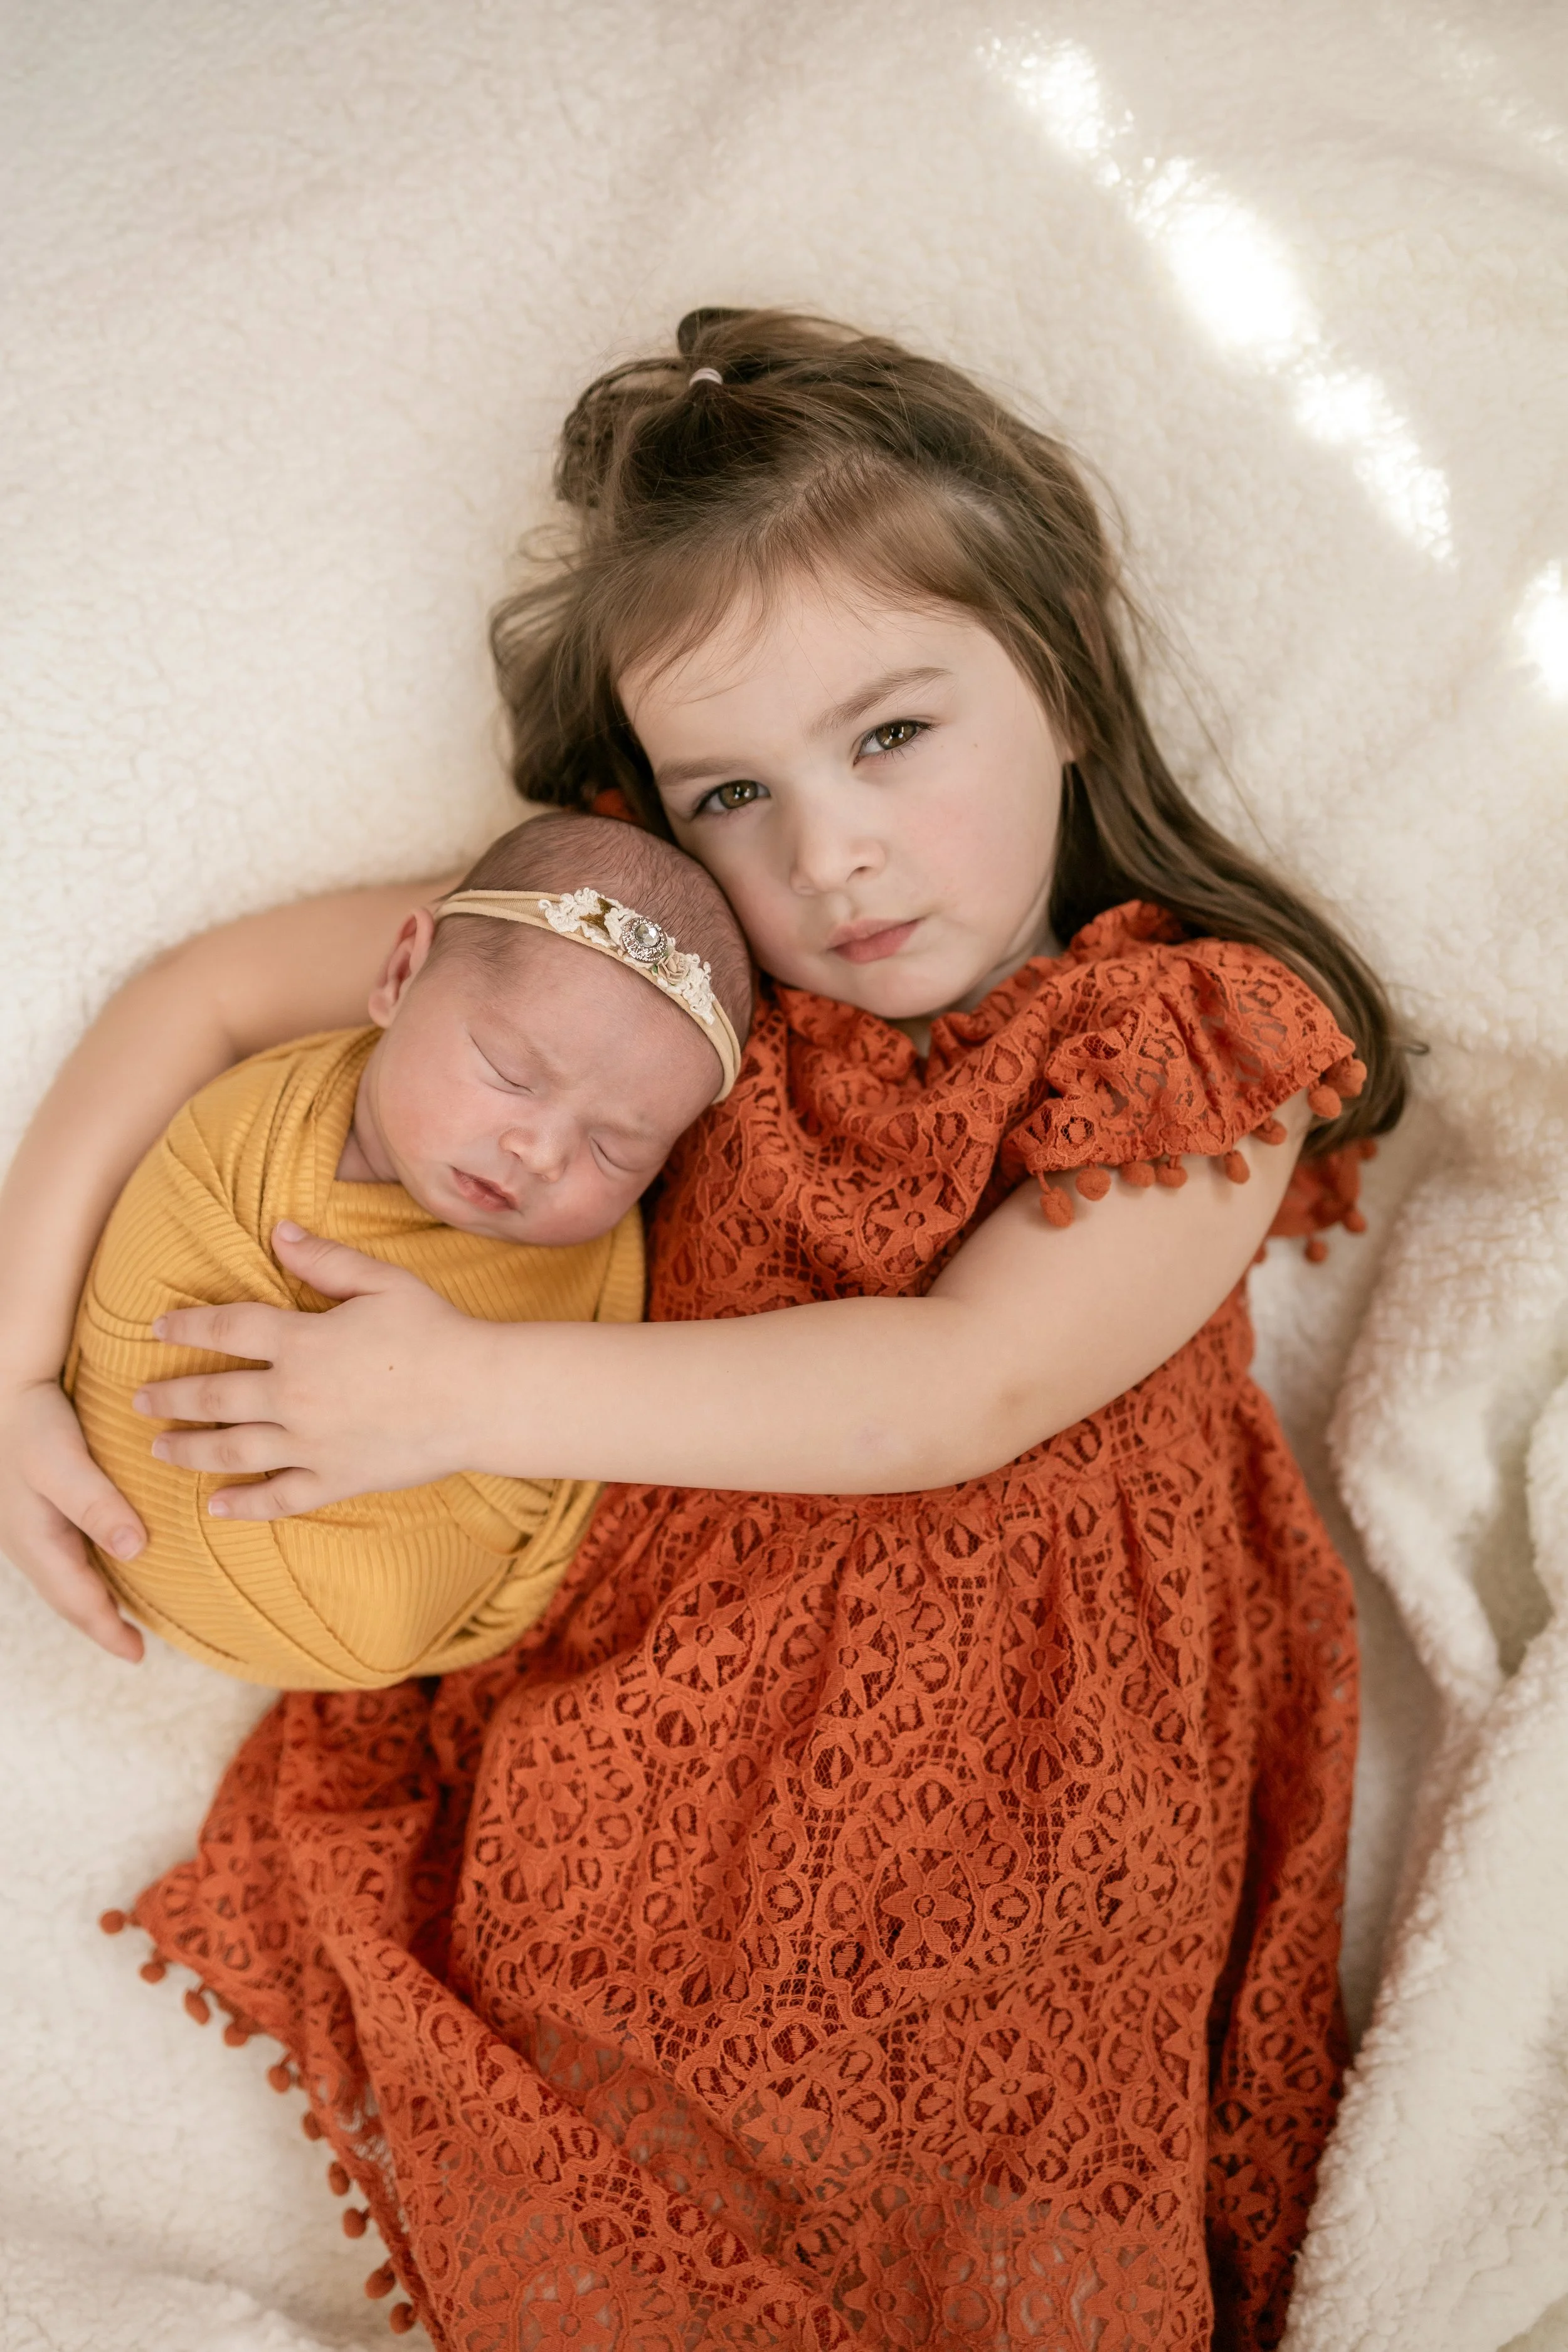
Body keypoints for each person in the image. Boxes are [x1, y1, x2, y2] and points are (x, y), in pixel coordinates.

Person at [0, 309, 1403, 2351]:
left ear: (1072, 676)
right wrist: (14, 1361)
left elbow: (957, 1391)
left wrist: (454, 1387)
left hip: (1021, 1781)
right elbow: (208, 996)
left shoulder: (1181, 1043)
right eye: (733, 786)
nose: (825, 852)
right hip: (653, 1701)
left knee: (1014, 2230)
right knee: (635, 2151)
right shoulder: (651, 978)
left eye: (895, 736)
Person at [64, 812, 750, 1687]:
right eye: (508, 1072)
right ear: (398, 975)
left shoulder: (567, 1264)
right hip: (148, 1506)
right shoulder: (255, 1139)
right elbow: (150, 1292)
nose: (540, 1153)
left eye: (618, 1148)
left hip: (404, 1607)